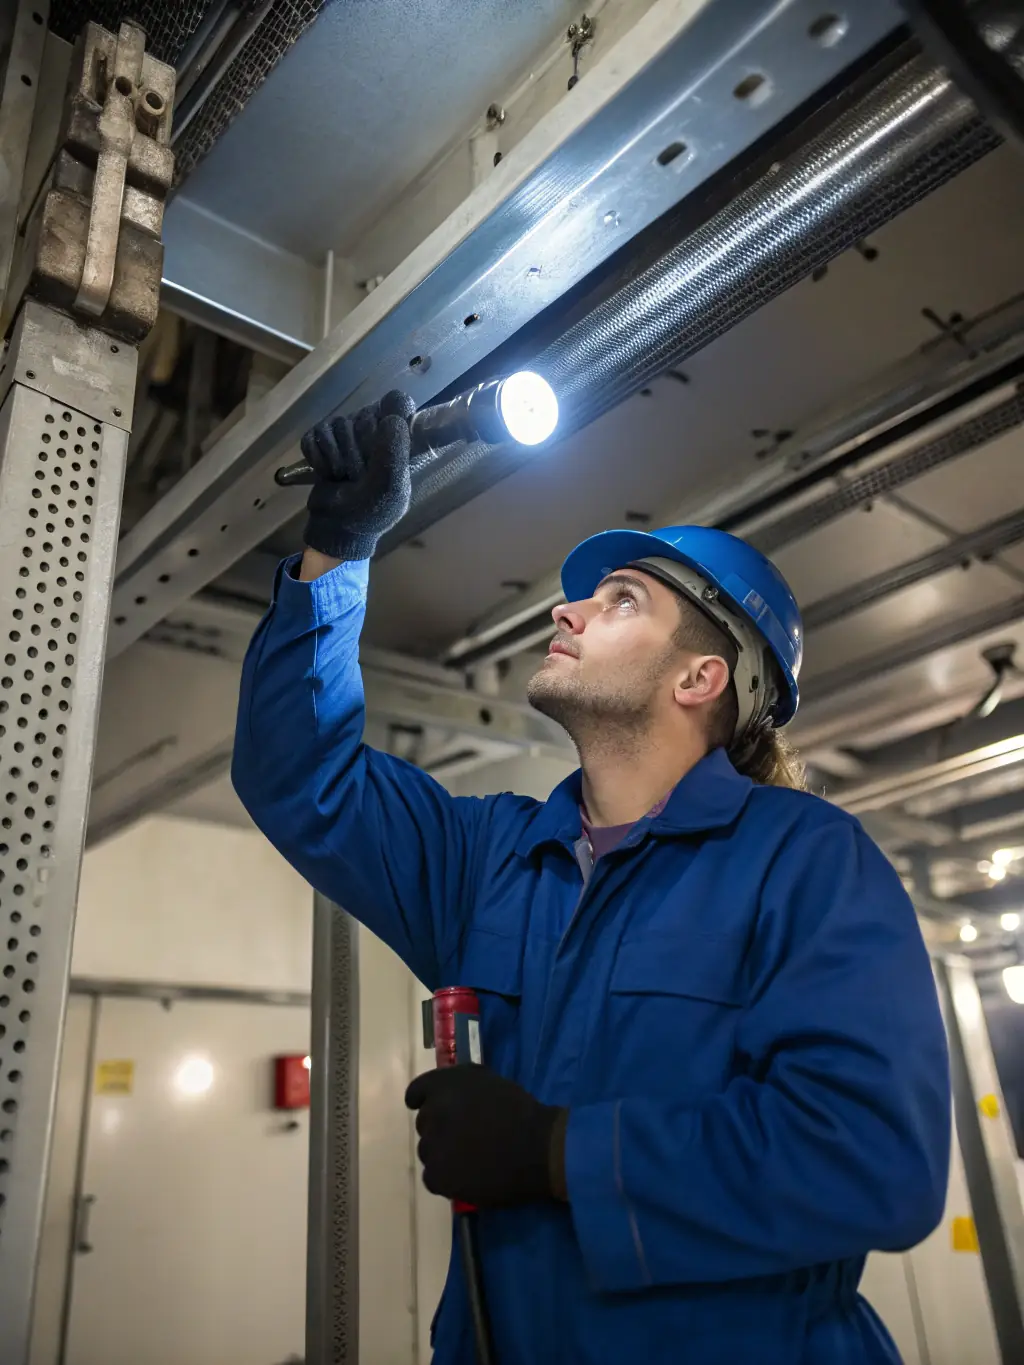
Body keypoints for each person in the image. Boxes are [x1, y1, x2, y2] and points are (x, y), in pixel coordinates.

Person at [233, 391, 951, 1364]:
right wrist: (338, 546)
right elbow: (299, 776)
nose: (564, 607)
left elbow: (874, 1163)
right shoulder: (490, 860)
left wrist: (556, 1153)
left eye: (621, 600)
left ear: (698, 679)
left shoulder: (804, 860)